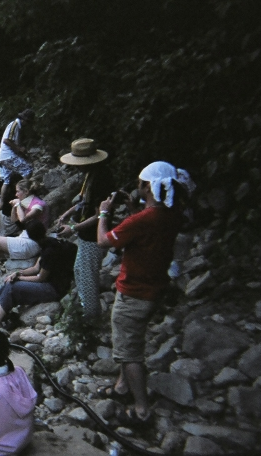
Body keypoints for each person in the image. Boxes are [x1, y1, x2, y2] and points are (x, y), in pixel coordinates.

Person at [96, 161, 195, 427]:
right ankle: (121, 388)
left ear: (149, 186)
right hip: (154, 288)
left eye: (141, 183)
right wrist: (132, 209)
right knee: (129, 343)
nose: (137, 186)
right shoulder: (171, 214)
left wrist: (104, 214)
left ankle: (141, 411)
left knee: (129, 353)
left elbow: (104, 241)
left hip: (134, 292)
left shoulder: (142, 220)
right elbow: (147, 228)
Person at [55, 138, 113, 319]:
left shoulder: (102, 180)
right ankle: (85, 311)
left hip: (94, 237)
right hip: (85, 235)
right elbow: (81, 201)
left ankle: (90, 317)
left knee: (87, 276)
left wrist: (73, 228)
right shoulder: (90, 175)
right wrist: (65, 214)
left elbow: (99, 215)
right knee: (79, 270)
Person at [0, 228, 76, 331]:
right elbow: (35, 268)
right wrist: (17, 273)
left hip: (53, 289)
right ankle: (1, 310)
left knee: (12, 287)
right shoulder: (49, 243)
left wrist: (19, 278)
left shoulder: (50, 252)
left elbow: (40, 278)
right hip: (48, 283)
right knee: (9, 282)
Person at [0, 109, 35, 212]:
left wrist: (23, 154)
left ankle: (2, 203)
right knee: (28, 170)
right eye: (27, 122)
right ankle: (24, 193)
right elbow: (7, 140)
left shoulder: (16, 126)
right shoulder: (15, 125)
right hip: (8, 156)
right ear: (24, 120)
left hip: (3, 157)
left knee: (7, 179)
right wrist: (19, 149)